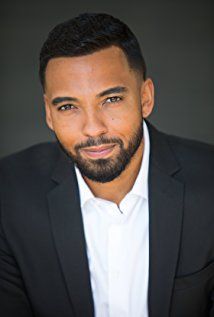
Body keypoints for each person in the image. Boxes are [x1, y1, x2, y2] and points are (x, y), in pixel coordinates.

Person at [0, 12, 213, 317]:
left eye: (111, 100)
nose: (93, 129)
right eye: (68, 106)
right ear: (49, 113)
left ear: (145, 97)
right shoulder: (7, 196)